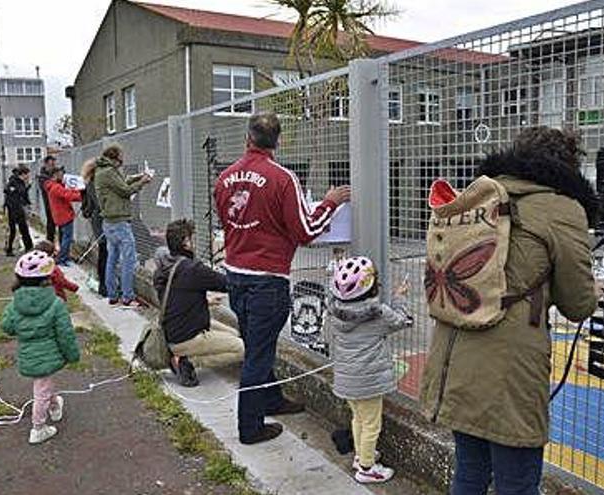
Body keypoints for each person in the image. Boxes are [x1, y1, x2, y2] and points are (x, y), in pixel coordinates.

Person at [420, 127, 601, 495]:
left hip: (454, 358)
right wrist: (593, 290)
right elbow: (577, 304)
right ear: (568, 166)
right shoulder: (562, 209)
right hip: (509, 372)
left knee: (470, 473)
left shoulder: (478, 196)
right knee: (517, 484)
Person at [214, 112, 351, 445]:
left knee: (258, 345)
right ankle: (250, 428)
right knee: (258, 356)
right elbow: (306, 231)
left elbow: (227, 219)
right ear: (278, 141)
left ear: (248, 139)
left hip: (236, 275)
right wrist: (330, 204)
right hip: (267, 279)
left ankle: (272, 399)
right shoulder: (283, 178)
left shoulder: (226, 176)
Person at [327, 256, 413, 484]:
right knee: (372, 425)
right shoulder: (377, 314)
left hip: (347, 380)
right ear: (372, 287)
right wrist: (400, 297)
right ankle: (366, 468)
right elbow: (403, 320)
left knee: (359, 419)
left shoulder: (335, 311)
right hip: (368, 383)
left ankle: (361, 456)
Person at [1, 250, 81, 445]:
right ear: (48, 278)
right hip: (48, 356)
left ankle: (55, 406)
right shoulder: (56, 304)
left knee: (44, 385)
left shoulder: (14, 304)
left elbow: (7, 327)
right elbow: (66, 334)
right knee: (41, 391)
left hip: (28, 355)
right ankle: (38, 428)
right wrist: (72, 356)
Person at [153, 219, 245, 387]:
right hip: (187, 335)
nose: (194, 241)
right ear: (186, 243)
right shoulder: (192, 269)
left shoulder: (165, 266)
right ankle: (188, 362)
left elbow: (177, 298)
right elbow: (227, 284)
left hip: (172, 329)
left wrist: (206, 300)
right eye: (192, 238)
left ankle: (183, 356)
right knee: (241, 348)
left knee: (233, 333)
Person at [94, 145, 152, 307]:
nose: (123, 159)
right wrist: (143, 182)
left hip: (109, 223)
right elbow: (125, 190)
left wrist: (138, 177)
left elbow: (120, 184)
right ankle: (127, 296)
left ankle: (113, 295)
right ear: (115, 157)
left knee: (112, 259)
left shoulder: (103, 170)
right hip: (119, 222)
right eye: (121, 155)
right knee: (128, 260)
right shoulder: (108, 172)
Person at [44, 166, 82, 266]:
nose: (63, 175)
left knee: (63, 237)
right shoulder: (56, 187)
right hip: (64, 216)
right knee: (67, 238)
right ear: (55, 175)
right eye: (61, 174)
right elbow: (69, 195)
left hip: (60, 216)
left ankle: (64, 256)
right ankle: (62, 258)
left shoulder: (52, 186)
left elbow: (67, 192)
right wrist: (83, 195)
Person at [81, 159, 108, 297]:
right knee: (104, 253)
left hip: (97, 220)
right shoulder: (94, 183)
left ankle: (104, 283)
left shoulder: (91, 182)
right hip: (100, 221)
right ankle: (104, 284)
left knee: (104, 252)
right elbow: (99, 204)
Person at [4, 166, 34, 256]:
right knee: (15, 229)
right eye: (27, 175)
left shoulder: (20, 182)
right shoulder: (13, 182)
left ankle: (28, 247)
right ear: (23, 174)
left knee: (22, 228)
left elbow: (23, 194)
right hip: (13, 208)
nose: (28, 177)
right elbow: (9, 191)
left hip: (18, 208)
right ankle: (10, 249)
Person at [37, 155, 59, 243]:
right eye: (51, 164)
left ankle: (54, 242)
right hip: (49, 203)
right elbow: (47, 187)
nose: (53, 166)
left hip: (58, 203)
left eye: (54, 164)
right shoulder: (43, 176)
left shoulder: (55, 173)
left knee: (60, 224)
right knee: (51, 222)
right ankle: (49, 242)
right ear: (46, 164)